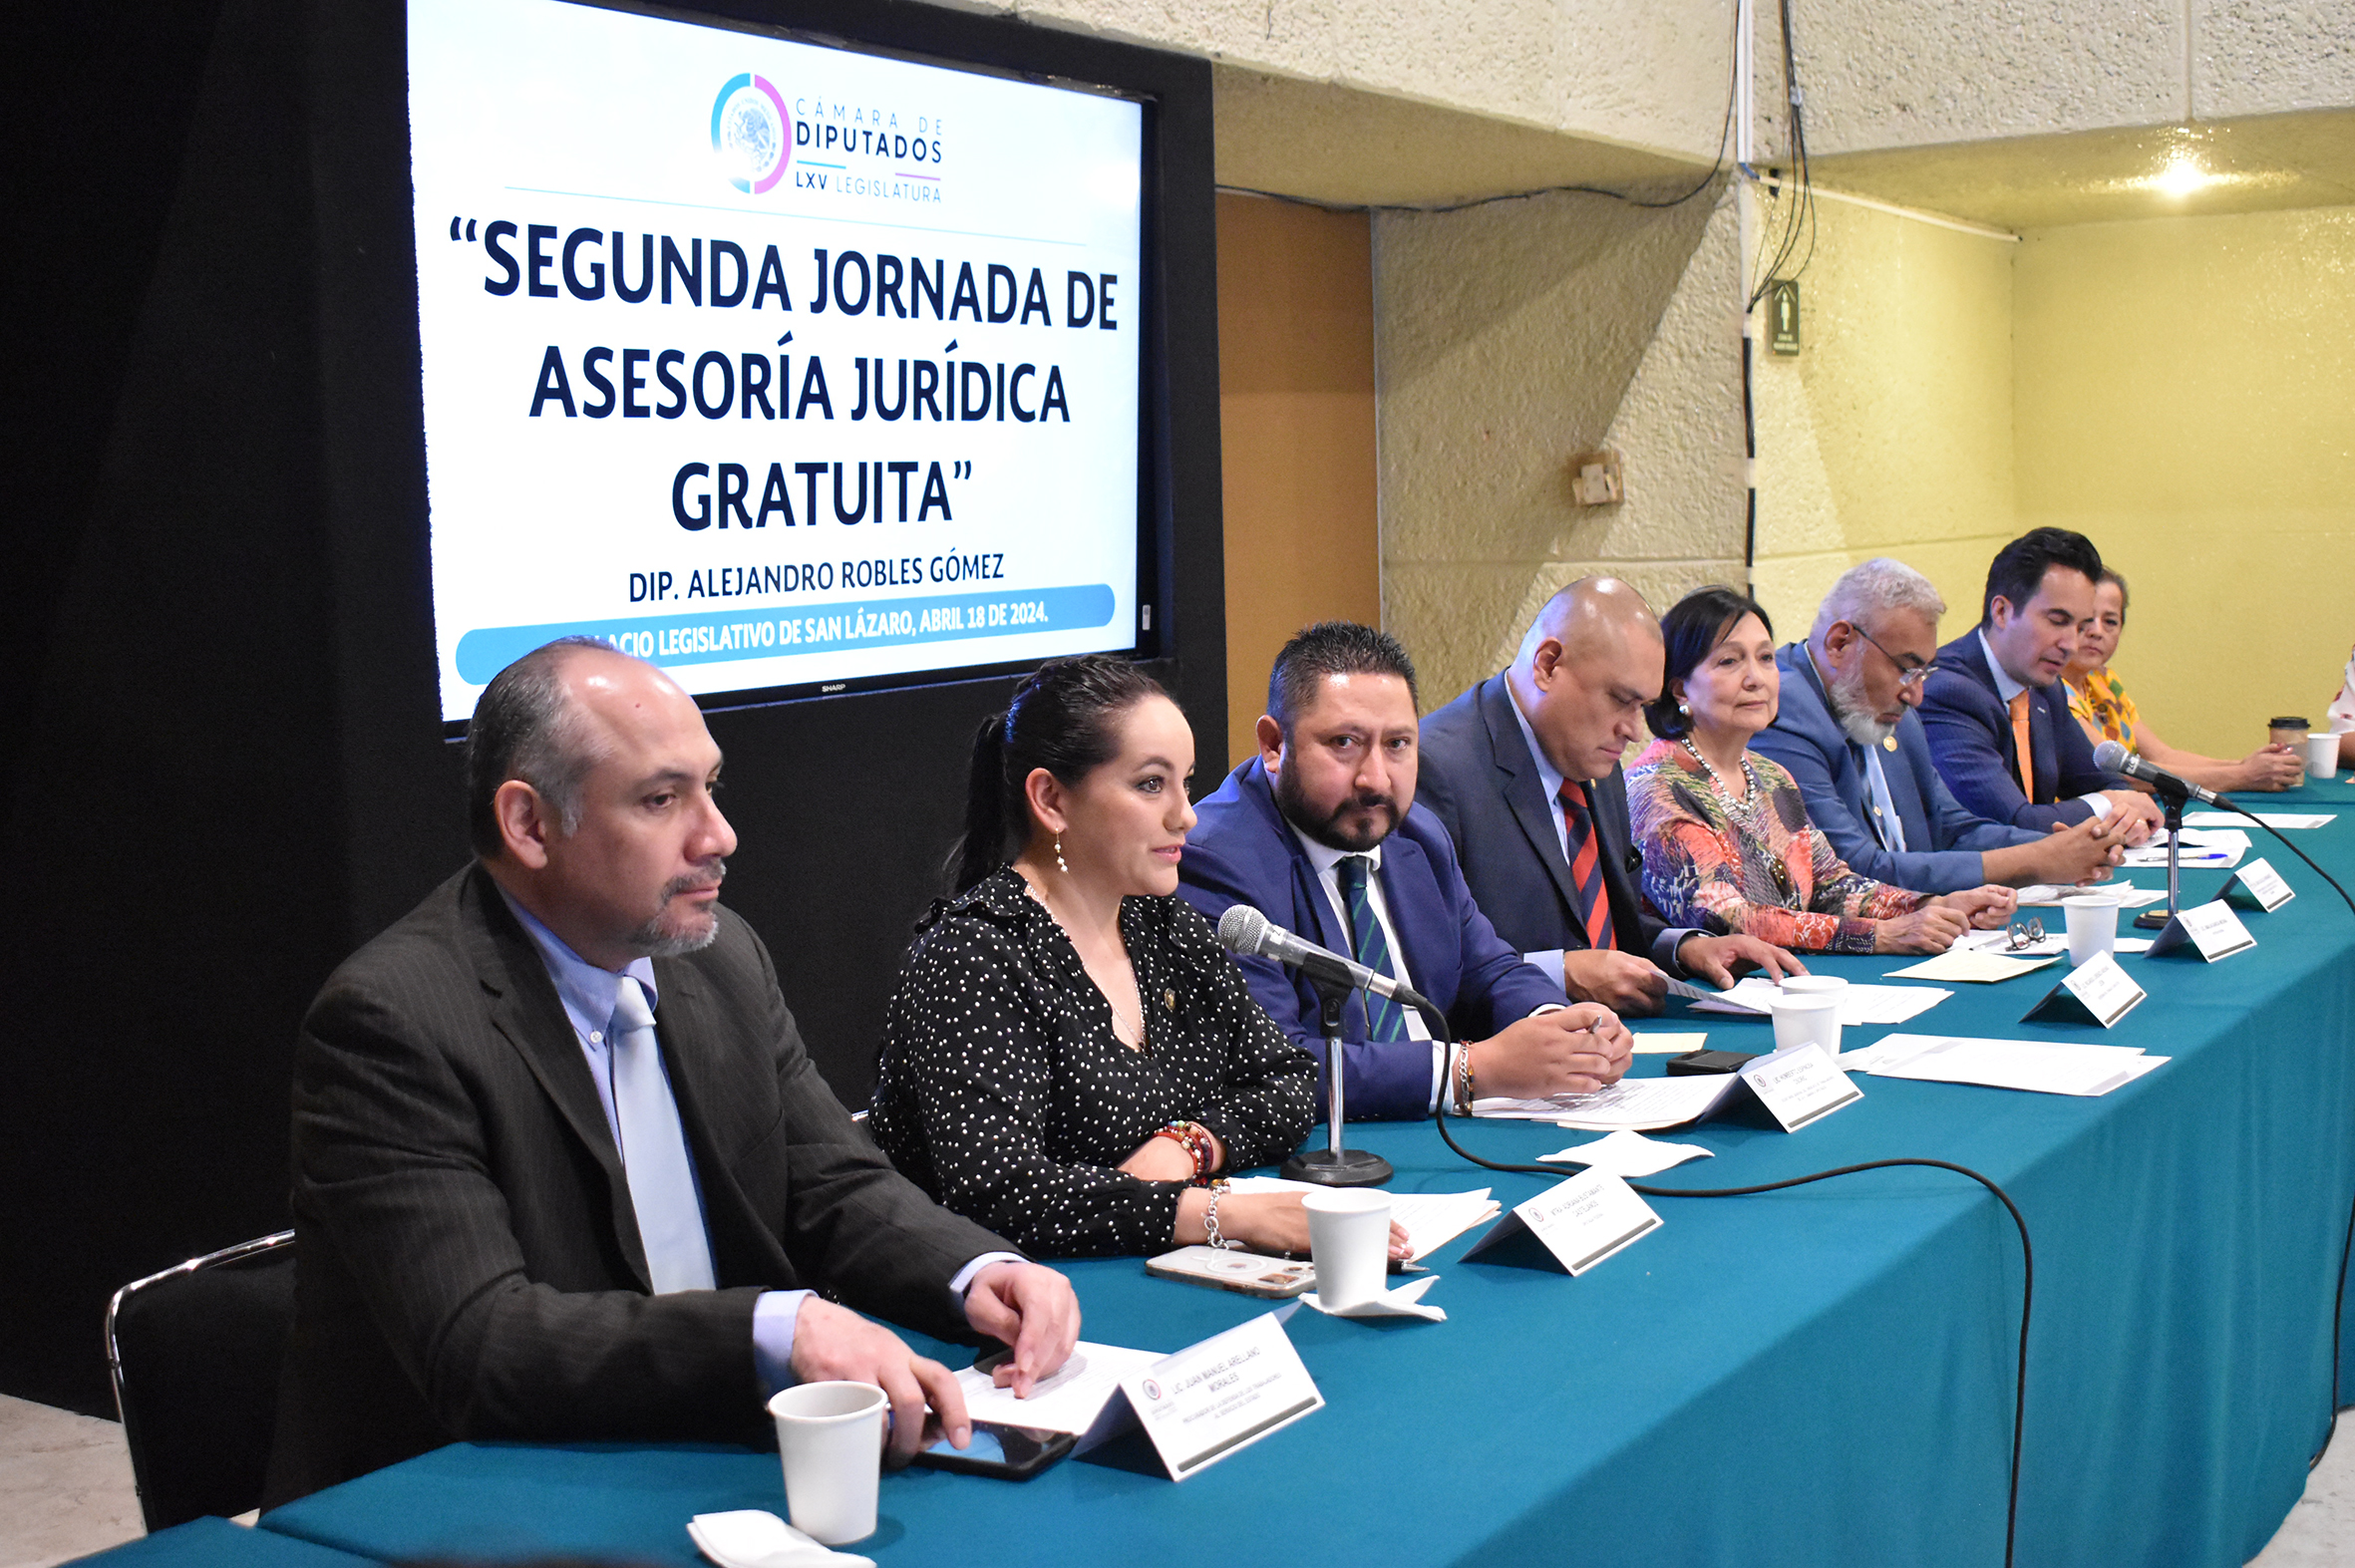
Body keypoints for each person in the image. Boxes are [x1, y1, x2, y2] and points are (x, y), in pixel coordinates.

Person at [264, 640, 1079, 1506]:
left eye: (711, 786)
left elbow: (831, 1180)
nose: (719, 835)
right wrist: (778, 1330)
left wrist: (975, 1269)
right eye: (661, 799)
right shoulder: (394, 1021)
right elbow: (482, 1344)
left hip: (703, 1458)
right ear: (530, 824)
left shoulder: (720, 958)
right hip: (468, 1503)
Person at [868, 656, 1374, 1263]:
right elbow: (1000, 1196)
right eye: (1151, 784)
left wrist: (1190, 1144)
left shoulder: (1164, 925)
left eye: (1186, 783)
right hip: (1006, 1301)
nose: (1185, 815)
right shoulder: (974, 957)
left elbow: (1289, 1080)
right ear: (1051, 799)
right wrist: (1218, 1214)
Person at [1177, 622, 1634, 1120]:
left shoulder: (1417, 834)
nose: (1376, 780)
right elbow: (1278, 1064)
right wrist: (1471, 1069)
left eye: (1397, 744)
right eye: (1344, 742)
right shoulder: (1214, 860)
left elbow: (1487, 969)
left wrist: (1560, 1027)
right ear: (1273, 744)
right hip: (1330, 1147)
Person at [1417, 575, 1806, 1015]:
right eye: (1621, 700)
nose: (1634, 730)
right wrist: (1562, 972)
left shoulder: (1592, 759)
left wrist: (1684, 948)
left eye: (1642, 706)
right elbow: (1424, 966)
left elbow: (1603, 928)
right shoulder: (1437, 769)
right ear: (1548, 665)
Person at [1625, 588, 2012, 955]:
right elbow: (1726, 919)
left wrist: (1932, 906)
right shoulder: (1656, 789)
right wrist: (1879, 936)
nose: (1756, 678)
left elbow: (1832, 886)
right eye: (1729, 661)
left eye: (1765, 658)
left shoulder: (1771, 777)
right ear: (1680, 690)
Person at [1753, 557, 2134, 893]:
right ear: (1839, 643)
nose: (1916, 695)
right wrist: (2036, 861)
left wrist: (2063, 847)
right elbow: (1854, 870)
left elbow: (1953, 830)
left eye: (1923, 672)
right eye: (1906, 669)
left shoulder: (1893, 714)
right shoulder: (1782, 713)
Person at [1917, 528, 2164, 838]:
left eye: (2081, 626)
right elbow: (2013, 823)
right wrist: (2112, 804)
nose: (2071, 644)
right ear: (2002, 612)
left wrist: (2123, 809)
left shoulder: (2046, 687)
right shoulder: (1947, 692)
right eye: (2058, 621)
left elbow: (2102, 781)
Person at [2062, 569, 2302, 792]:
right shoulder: (2055, 693)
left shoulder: (2104, 682)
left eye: (2110, 621)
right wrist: (2242, 776)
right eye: (2087, 618)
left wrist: (2244, 765)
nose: (2097, 631)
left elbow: (2163, 756)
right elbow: (2123, 775)